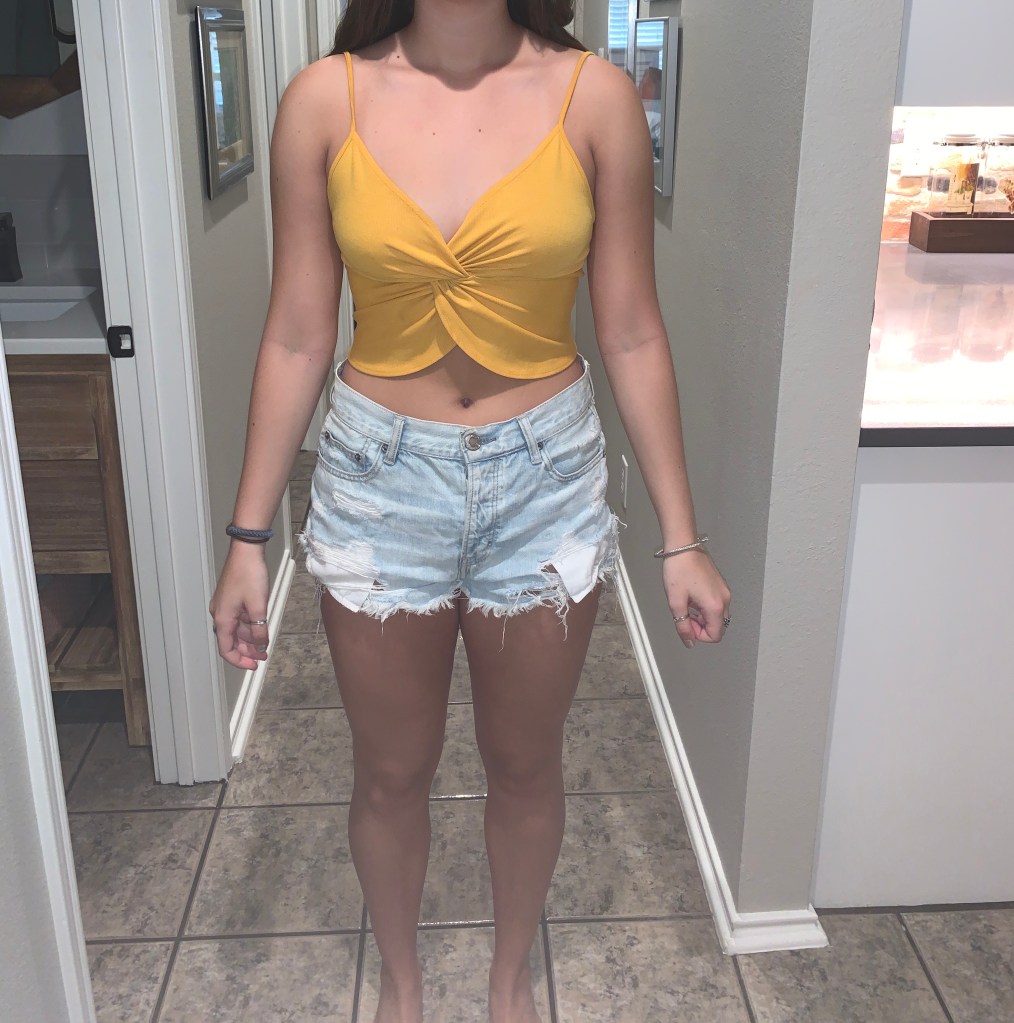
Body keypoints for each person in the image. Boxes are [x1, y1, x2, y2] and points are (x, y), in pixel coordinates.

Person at [209, 1, 732, 1021]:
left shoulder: (596, 99)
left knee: (526, 763)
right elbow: (297, 333)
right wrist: (247, 537)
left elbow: (630, 329)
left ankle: (508, 981)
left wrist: (683, 536)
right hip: (377, 479)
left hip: (547, 479)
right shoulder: (324, 101)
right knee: (389, 771)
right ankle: (401, 984)